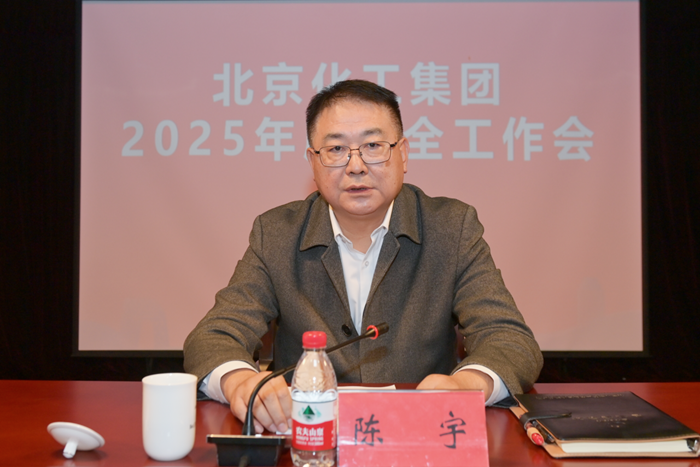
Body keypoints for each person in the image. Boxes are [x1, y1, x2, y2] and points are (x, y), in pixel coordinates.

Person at [184, 79, 542, 435]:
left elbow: (509, 340)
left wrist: (466, 385)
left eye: (373, 145)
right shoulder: (277, 234)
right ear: (313, 162)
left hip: (418, 437)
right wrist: (242, 382)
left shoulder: (451, 228)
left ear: (403, 153)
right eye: (336, 149)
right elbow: (213, 337)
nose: (355, 166)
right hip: (310, 437)